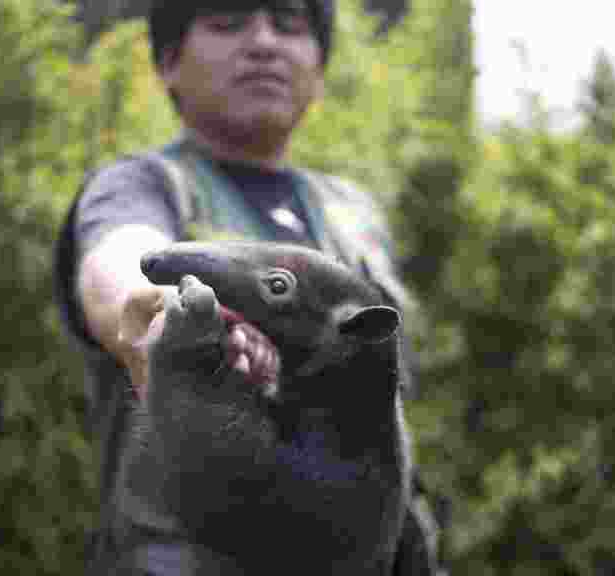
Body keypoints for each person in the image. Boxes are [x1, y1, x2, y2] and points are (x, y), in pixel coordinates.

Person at [54, 0, 443, 573]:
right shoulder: (142, 185)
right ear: (168, 61)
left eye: (289, 23)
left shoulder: (353, 212)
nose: (263, 42)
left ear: (319, 63)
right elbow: (119, 261)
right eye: (227, 20)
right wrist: (155, 317)